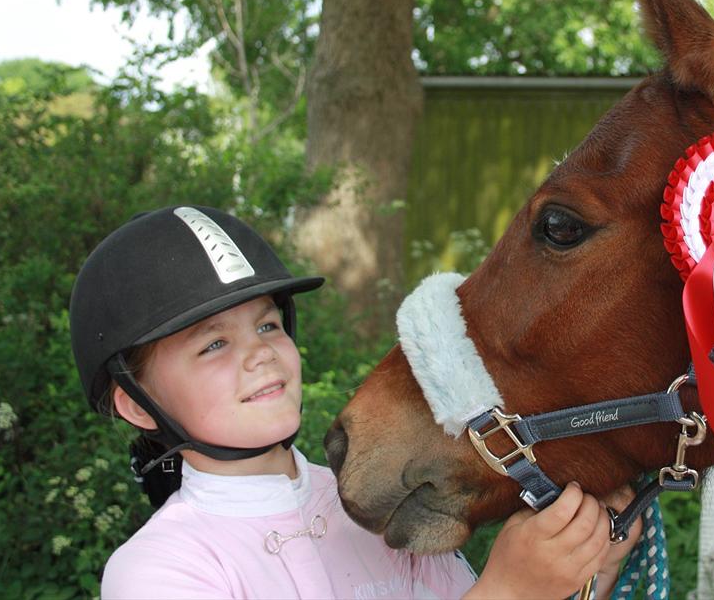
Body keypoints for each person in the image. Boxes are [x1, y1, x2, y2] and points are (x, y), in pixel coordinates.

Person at [70, 205, 637, 599]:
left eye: (268, 326)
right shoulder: (157, 571)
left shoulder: (375, 498)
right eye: (214, 344)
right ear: (137, 405)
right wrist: (507, 592)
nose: (260, 354)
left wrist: (586, 570)